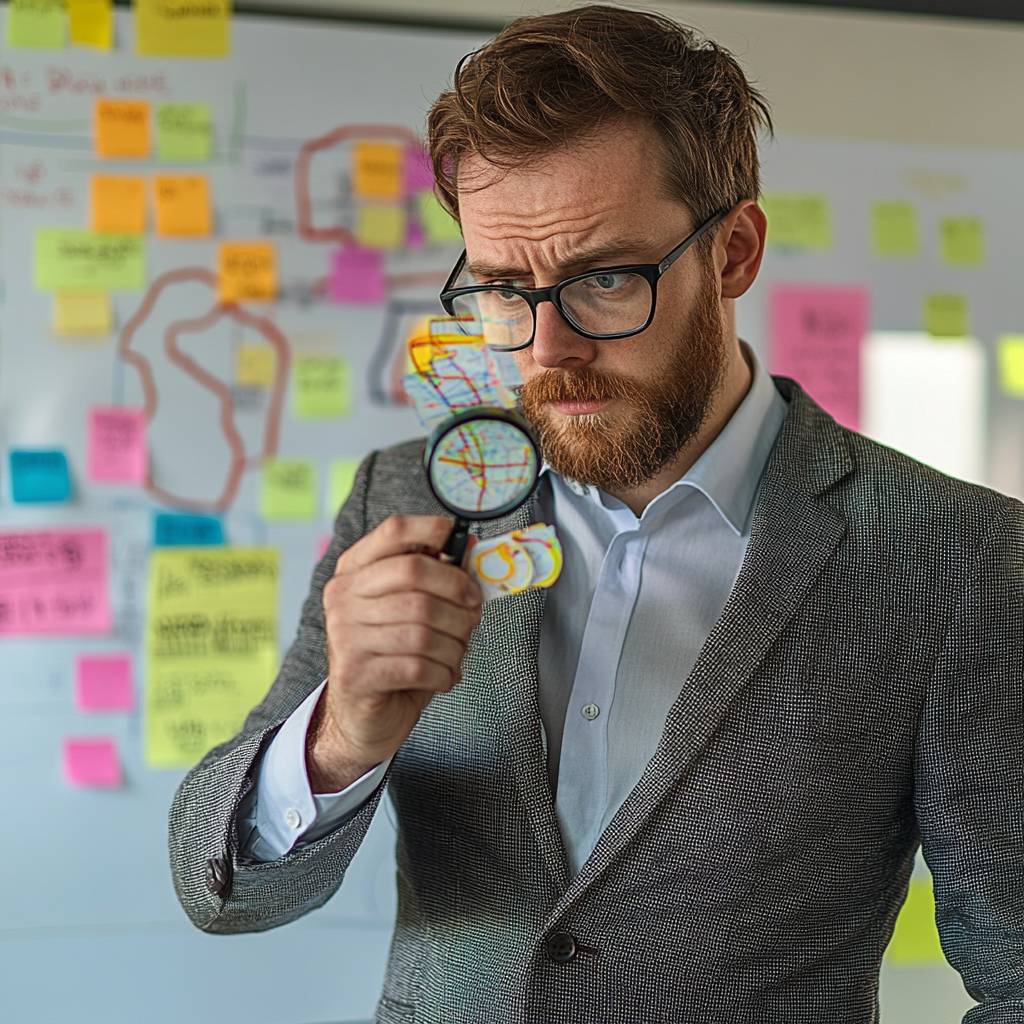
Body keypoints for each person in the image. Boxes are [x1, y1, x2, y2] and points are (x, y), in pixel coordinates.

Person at [168, 6, 1024, 1021]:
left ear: (736, 251)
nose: (544, 351)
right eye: (501, 289)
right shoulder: (405, 499)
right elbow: (224, 894)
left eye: (605, 279)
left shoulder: (959, 557)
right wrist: (339, 737)